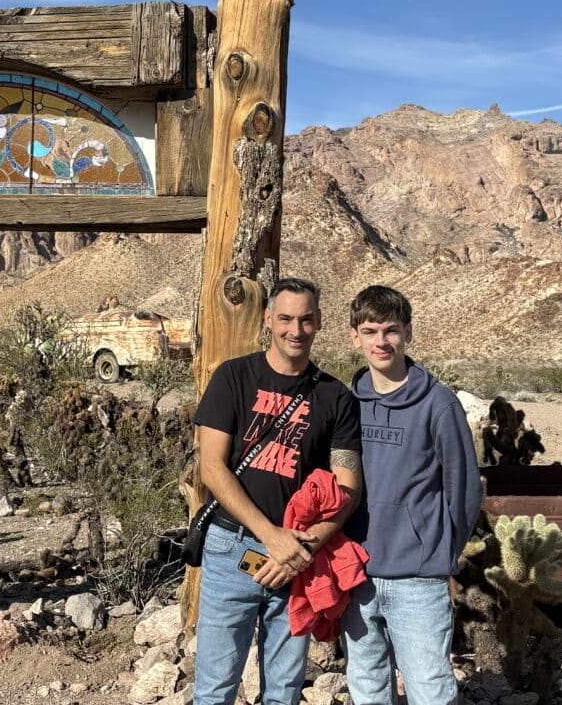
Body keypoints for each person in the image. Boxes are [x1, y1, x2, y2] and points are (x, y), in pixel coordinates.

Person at [193, 277, 363, 705]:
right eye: (285, 318)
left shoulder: (335, 397)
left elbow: (349, 489)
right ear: (268, 319)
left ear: (319, 322)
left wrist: (300, 548)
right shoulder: (234, 377)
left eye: (306, 319)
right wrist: (273, 538)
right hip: (233, 548)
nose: (295, 329)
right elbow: (211, 467)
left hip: (298, 559)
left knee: (284, 691)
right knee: (215, 687)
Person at [343, 285, 483, 705]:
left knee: (430, 688)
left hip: (418, 579)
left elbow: (464, 490)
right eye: (370, 331)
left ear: (408, 333)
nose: (381, 342)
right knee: (367, 685)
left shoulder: (439, 404)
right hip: (357, 575)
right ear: (355, 337)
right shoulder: (347, 404)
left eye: (391, 330)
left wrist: (437, 551)